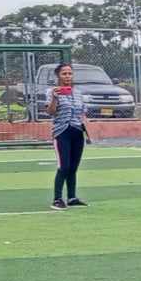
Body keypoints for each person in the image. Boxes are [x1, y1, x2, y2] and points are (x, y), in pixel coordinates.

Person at [47, 62, 88, 211]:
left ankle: (72, 197)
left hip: (77, 132)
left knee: (73, 167)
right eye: (64, 73)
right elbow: (51, 112)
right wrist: (54, 97)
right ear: (58, 76)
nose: (67, 76)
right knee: (64, 166)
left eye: (70, 73)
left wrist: (87, 128)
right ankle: (57, 199)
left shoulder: (78, 93)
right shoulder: (52, 92)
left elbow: (83, 113)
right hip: (62, 132)